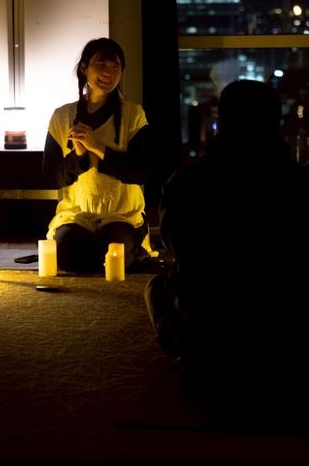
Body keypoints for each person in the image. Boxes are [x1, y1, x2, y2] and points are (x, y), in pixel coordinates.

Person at [145, 79, 309, 426]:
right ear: (276, 121)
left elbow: (178, 251)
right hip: (290, 353)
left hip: (211, 361)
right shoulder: (299, 183)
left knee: (157, 288)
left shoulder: (185, 183)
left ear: (222, 120)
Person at [42, 37, 153, 273]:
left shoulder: (134, 114)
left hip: (120, 215)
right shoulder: (62, 116)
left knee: (110, 252)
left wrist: (97, 146)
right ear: (84, 67)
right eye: (101, 65)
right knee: (66, 255)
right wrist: (79, 155)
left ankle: (135, 248)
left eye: (115, 67)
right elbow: (52, 176)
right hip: (77, 215)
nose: (108, 73)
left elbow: (139, 172)